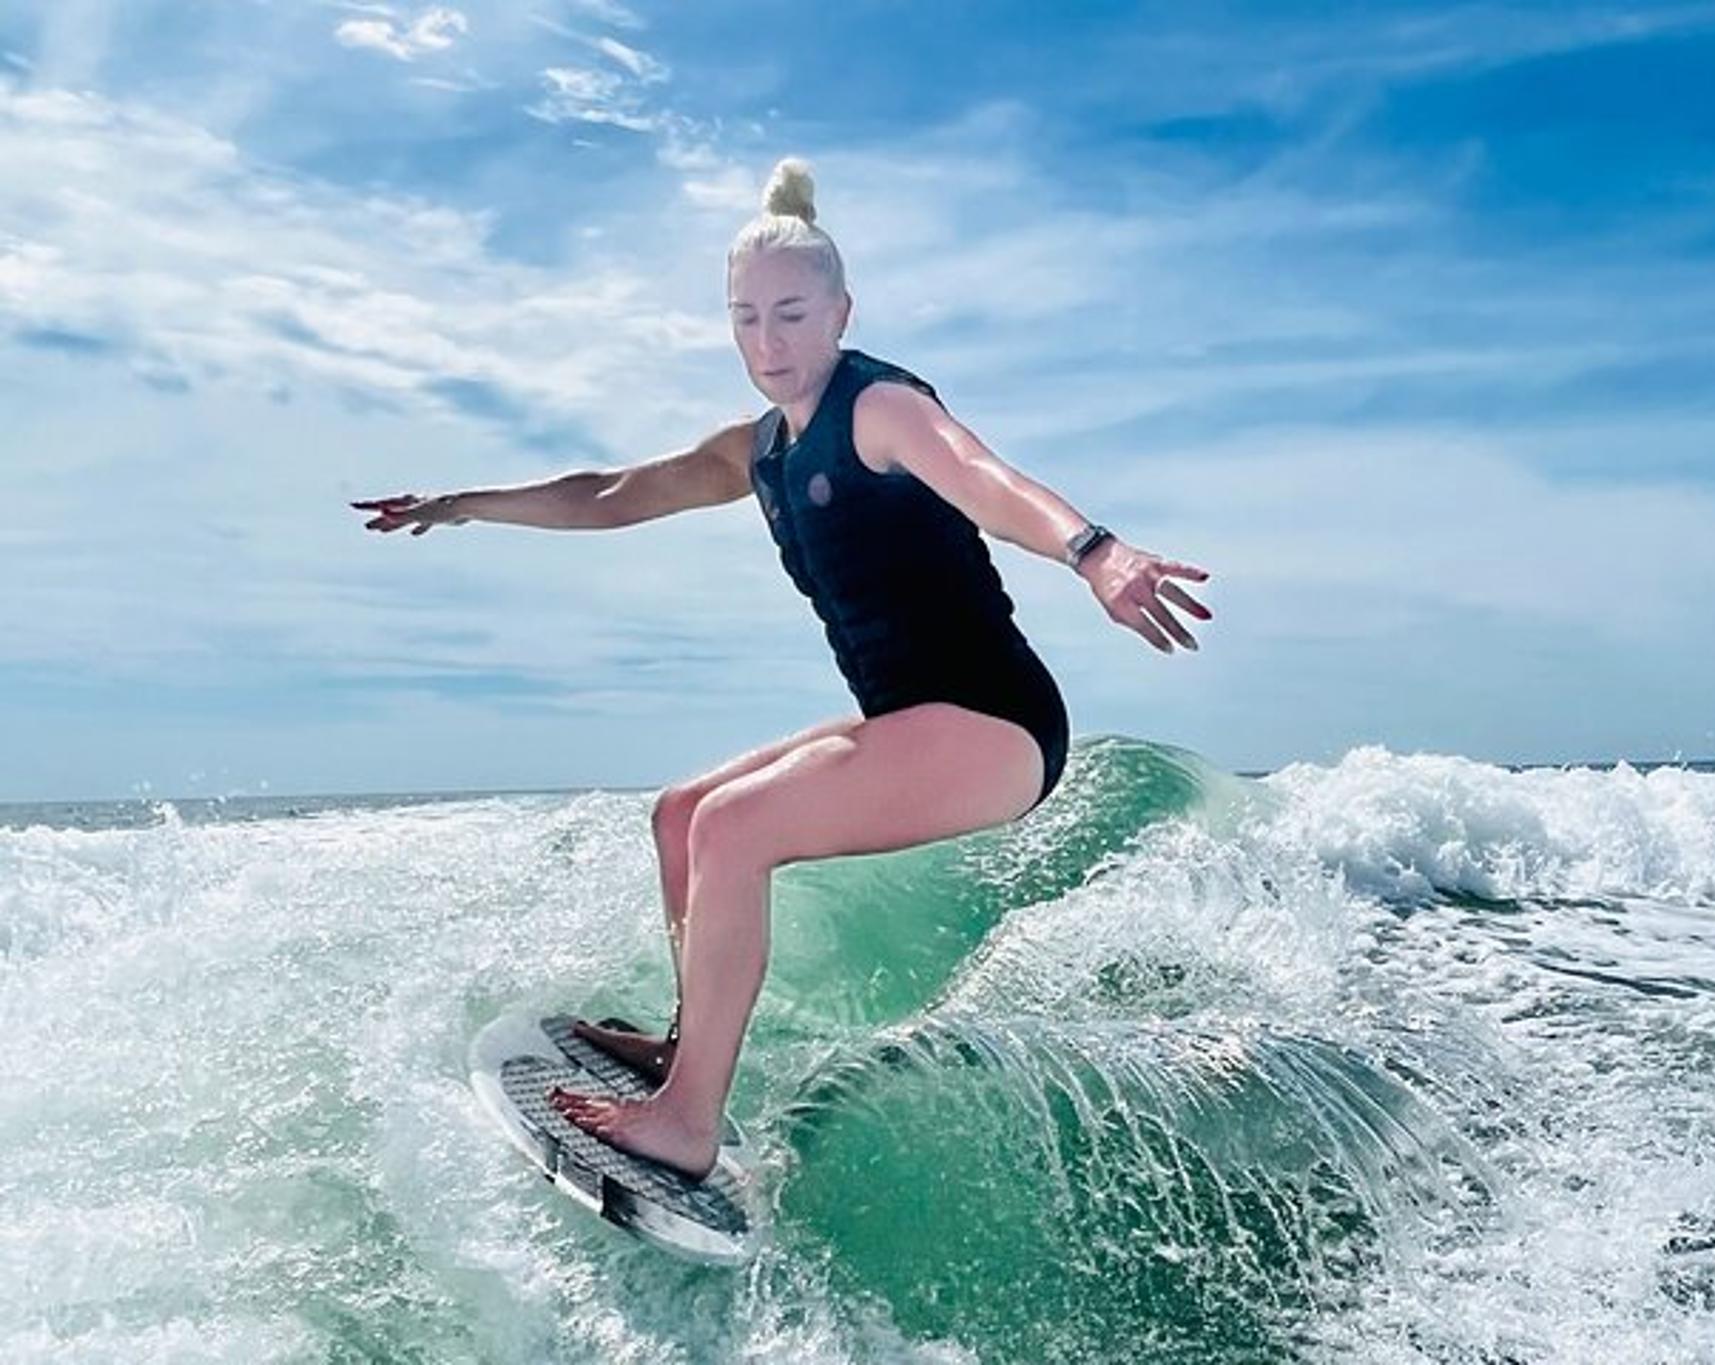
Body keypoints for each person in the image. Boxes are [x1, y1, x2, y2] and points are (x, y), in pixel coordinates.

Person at [352, 158, 1213, 1180]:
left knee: (734, 826)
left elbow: (984, 478)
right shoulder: (756, 448)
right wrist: (467, 501)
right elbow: (615, 491)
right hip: (910, 716)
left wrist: (1094, 551)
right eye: (746, 319)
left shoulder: (880, 407)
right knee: (682, 813)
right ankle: (687, 1054)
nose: (770, 344)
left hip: (995, 722)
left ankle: (687, 1118)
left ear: (841, 311)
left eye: (793, 315)